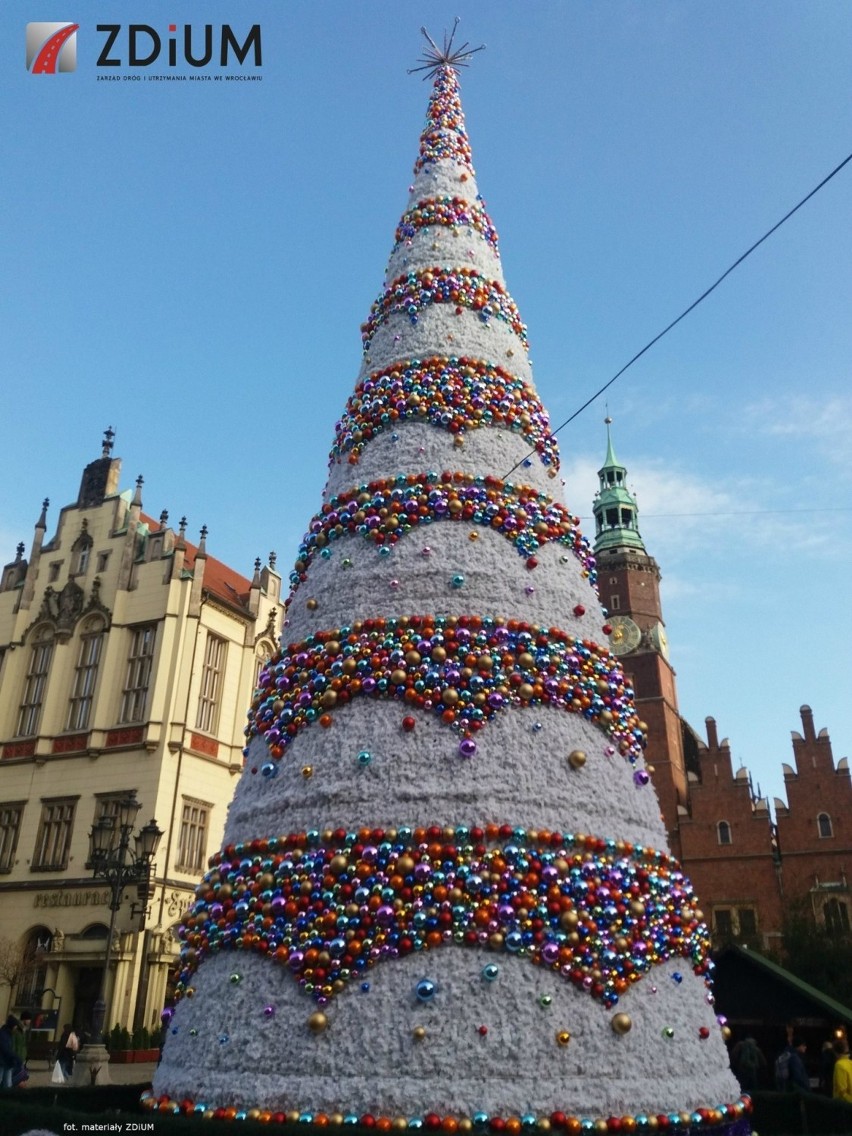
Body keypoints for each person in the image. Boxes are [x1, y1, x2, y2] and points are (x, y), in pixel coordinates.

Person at [0, 1015, 25, 1090]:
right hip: (2, 1062)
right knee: (4, 1082)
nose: (16, 1028)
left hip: (7, 1062)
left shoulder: (8, 1034)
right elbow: (5, 1049)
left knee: (7, 1083)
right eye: (15, 1026)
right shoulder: (3, 1034)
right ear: (12, 1026)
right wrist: (15, 1057)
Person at [833, 1037, 852, 1103]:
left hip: (843, 1105)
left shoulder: (839, 1065)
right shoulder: (850, 1063)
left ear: (835, 1052)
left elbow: (842, 1091)